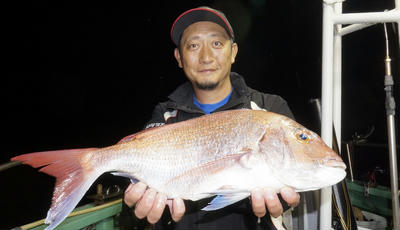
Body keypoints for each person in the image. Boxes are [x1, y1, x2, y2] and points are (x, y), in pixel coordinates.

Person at [122, 6, 300, 230]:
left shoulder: (269, 108)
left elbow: (284, 186)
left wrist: (278, 201)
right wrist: (138, 208)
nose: (206, 57)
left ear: (233, 52)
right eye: (193, 45)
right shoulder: (165, 115)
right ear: (179, 57)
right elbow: (140, 188)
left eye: (216, 43)